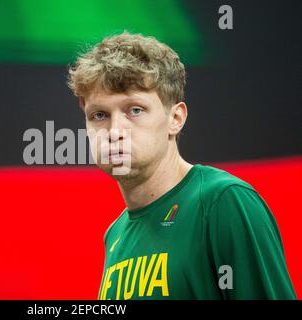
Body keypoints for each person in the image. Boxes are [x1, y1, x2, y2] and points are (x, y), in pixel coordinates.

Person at [67, 31, 296, 299]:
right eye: (99, 115)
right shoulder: (115, 235)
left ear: (175, 118)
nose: (115, 130)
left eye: (135, 110)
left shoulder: (223, 202)